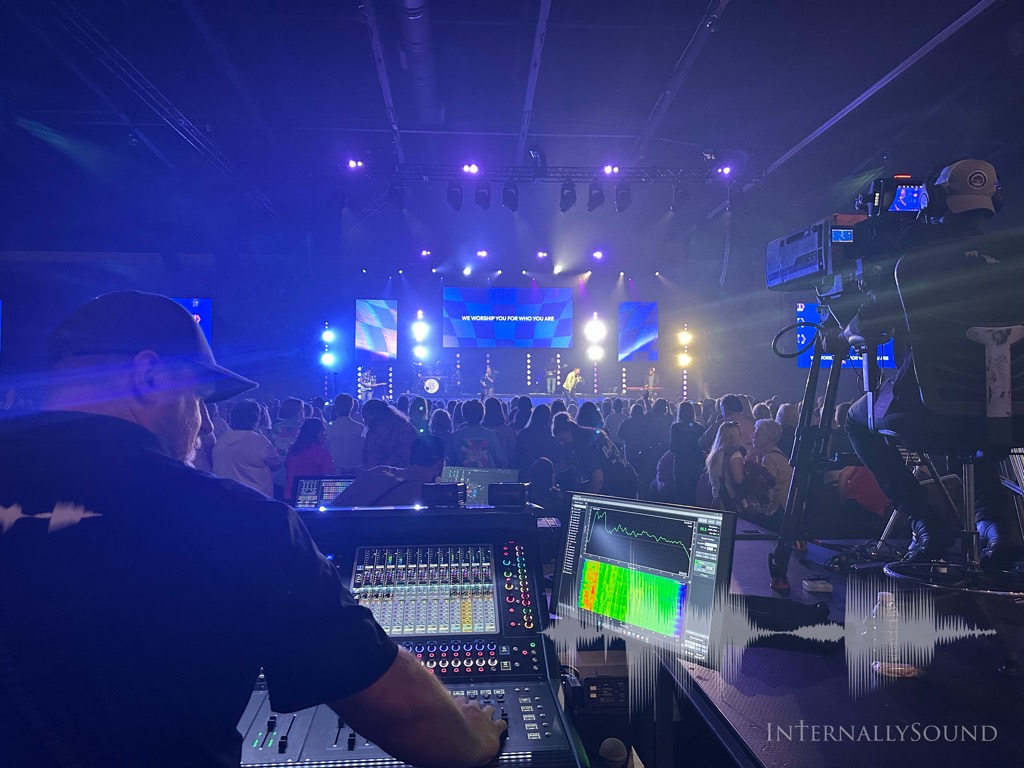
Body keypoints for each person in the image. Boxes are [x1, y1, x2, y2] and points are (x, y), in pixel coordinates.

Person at [0, 291, 504, 768]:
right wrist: (474, 737)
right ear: (149, 377)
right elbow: (403, 712)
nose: (206, 424)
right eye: (198, 398)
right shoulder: (235, 522)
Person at [843, 158, 1020, 566]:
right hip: (1012, 410)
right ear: (994, 201)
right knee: (980, 426)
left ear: (937, 198)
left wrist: (849, 329)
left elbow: (872, 324)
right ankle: (999, 527)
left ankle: (927, 518)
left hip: (930, 405)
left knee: (855, 421)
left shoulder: (917, 253)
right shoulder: (1014, 257)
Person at [333, 435, 448, 507]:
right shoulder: (425, 495)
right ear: (440, 465)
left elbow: (335, 507)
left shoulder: (377, 471)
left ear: (410, 459)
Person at [552, 411, 638, 499]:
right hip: (626, 476)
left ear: (569, 432)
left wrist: (587, 501)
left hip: (620, 483)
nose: (562, 444)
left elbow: (598, 479)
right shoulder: (587, 434)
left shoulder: (584, 446)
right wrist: (556, 470)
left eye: (562, 440)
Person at [212, 398, 284, 496]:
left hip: (225, 496)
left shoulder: (222, 438)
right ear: (256, 418)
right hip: (254, 498)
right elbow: (276, 464)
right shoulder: (259, 441)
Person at [284, 418, 335, 502]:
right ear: (315, 434)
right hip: (312, 496)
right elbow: (327, 477)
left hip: (290, 494)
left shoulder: (293, 450)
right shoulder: (322, 453)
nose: (325, 436)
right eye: (323, 432)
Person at [451, 399, 503, 467]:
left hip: (463, 473)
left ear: (463, 415)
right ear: (482, 414)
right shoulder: (491, 435)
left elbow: (451, 458)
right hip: (488, 473)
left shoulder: (455, 436)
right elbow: (499, 458)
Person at [326, 393, 364, 474]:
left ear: (336, 408)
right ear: (352, 407)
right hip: (357, 472)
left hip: (335, 473)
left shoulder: (329, 429)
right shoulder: (361, 428)